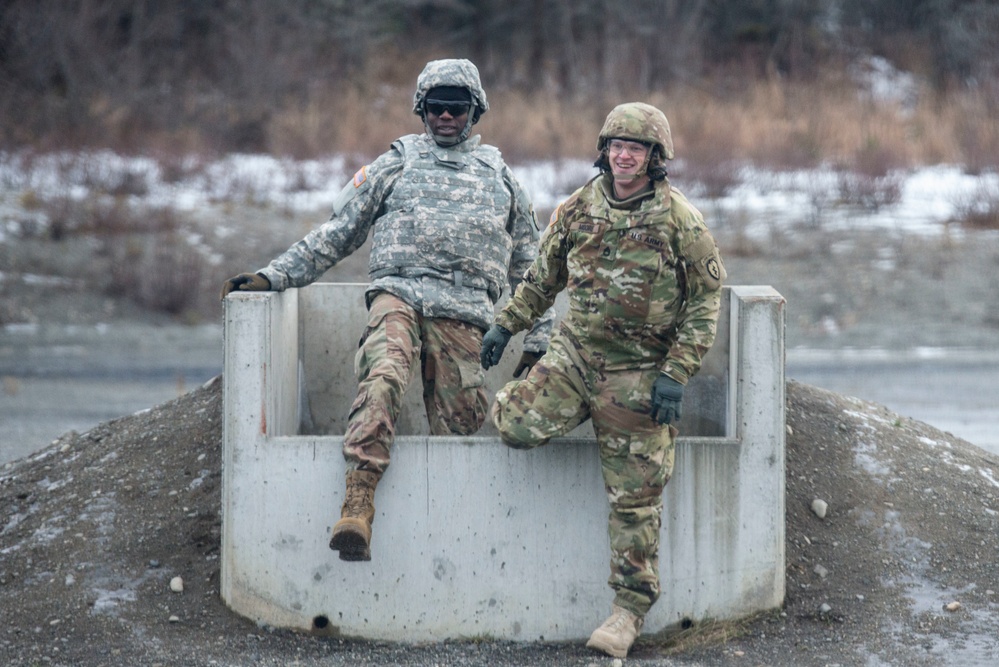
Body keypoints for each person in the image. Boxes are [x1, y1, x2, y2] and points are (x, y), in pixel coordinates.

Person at [221, 58, 553, 562]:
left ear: (474, 112)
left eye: (456, 107)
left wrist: (538, 342)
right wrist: (275, 275)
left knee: (463, 421)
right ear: (422, 110)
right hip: (398, 296)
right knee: (383, 373)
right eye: (436, 107)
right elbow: (339, 231)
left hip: (462, 313)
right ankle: (358, 501)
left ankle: (458, 536)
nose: (445, 117)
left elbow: (535, 270)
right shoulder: (395, 164)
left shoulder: (501, 179)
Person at [479, 102, 725, 658]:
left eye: (635, 148)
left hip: (638, 373)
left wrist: (674, 375)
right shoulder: (577, 207)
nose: (623, 156)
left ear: (655, 157)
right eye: (616, 146)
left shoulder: (677, 218)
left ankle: (627, 612)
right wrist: (507, 325)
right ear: (604, 150)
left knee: (634, 499)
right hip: (575, 356)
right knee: (514, 426)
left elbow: (705, 301)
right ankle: (563, 402)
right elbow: (542, 279)